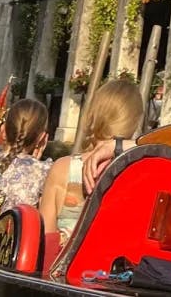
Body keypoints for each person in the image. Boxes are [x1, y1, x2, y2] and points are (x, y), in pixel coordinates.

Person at [41, 80, 144, 261]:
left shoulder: (63, 168)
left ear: (93, 115)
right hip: (115, 280)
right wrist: (129, 146)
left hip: (62, 273)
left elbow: (46, 240)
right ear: (134, 122)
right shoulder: (142, 171)